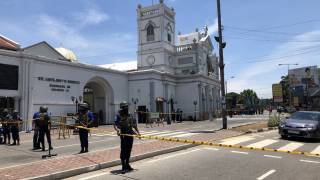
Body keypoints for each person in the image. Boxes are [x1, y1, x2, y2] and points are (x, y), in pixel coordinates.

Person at [114, 101, 141, 174]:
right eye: (124, 107)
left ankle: (127, 164)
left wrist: (138, 133)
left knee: (129, 150)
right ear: (122, 108)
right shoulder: (118, 115)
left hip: (130, 135)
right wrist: (118, 130)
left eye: (126, 107)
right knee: (123, 151)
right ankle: (123, 166)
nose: (126, 108)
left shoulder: (130, 115)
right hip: (123, 135)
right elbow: (116, 125)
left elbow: (134, 125)